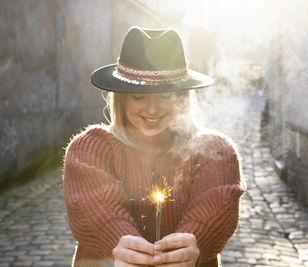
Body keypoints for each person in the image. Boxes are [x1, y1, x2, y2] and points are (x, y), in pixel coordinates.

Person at [63, 26, 245, 267]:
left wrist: (193, 241)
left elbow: (217, 204)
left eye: (165, 95)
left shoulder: (214, 151)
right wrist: (118, 240)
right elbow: (93, 206)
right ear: (122, 97)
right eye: (139, 97)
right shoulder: (89, 149)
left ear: (182, 96)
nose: (152, 109)